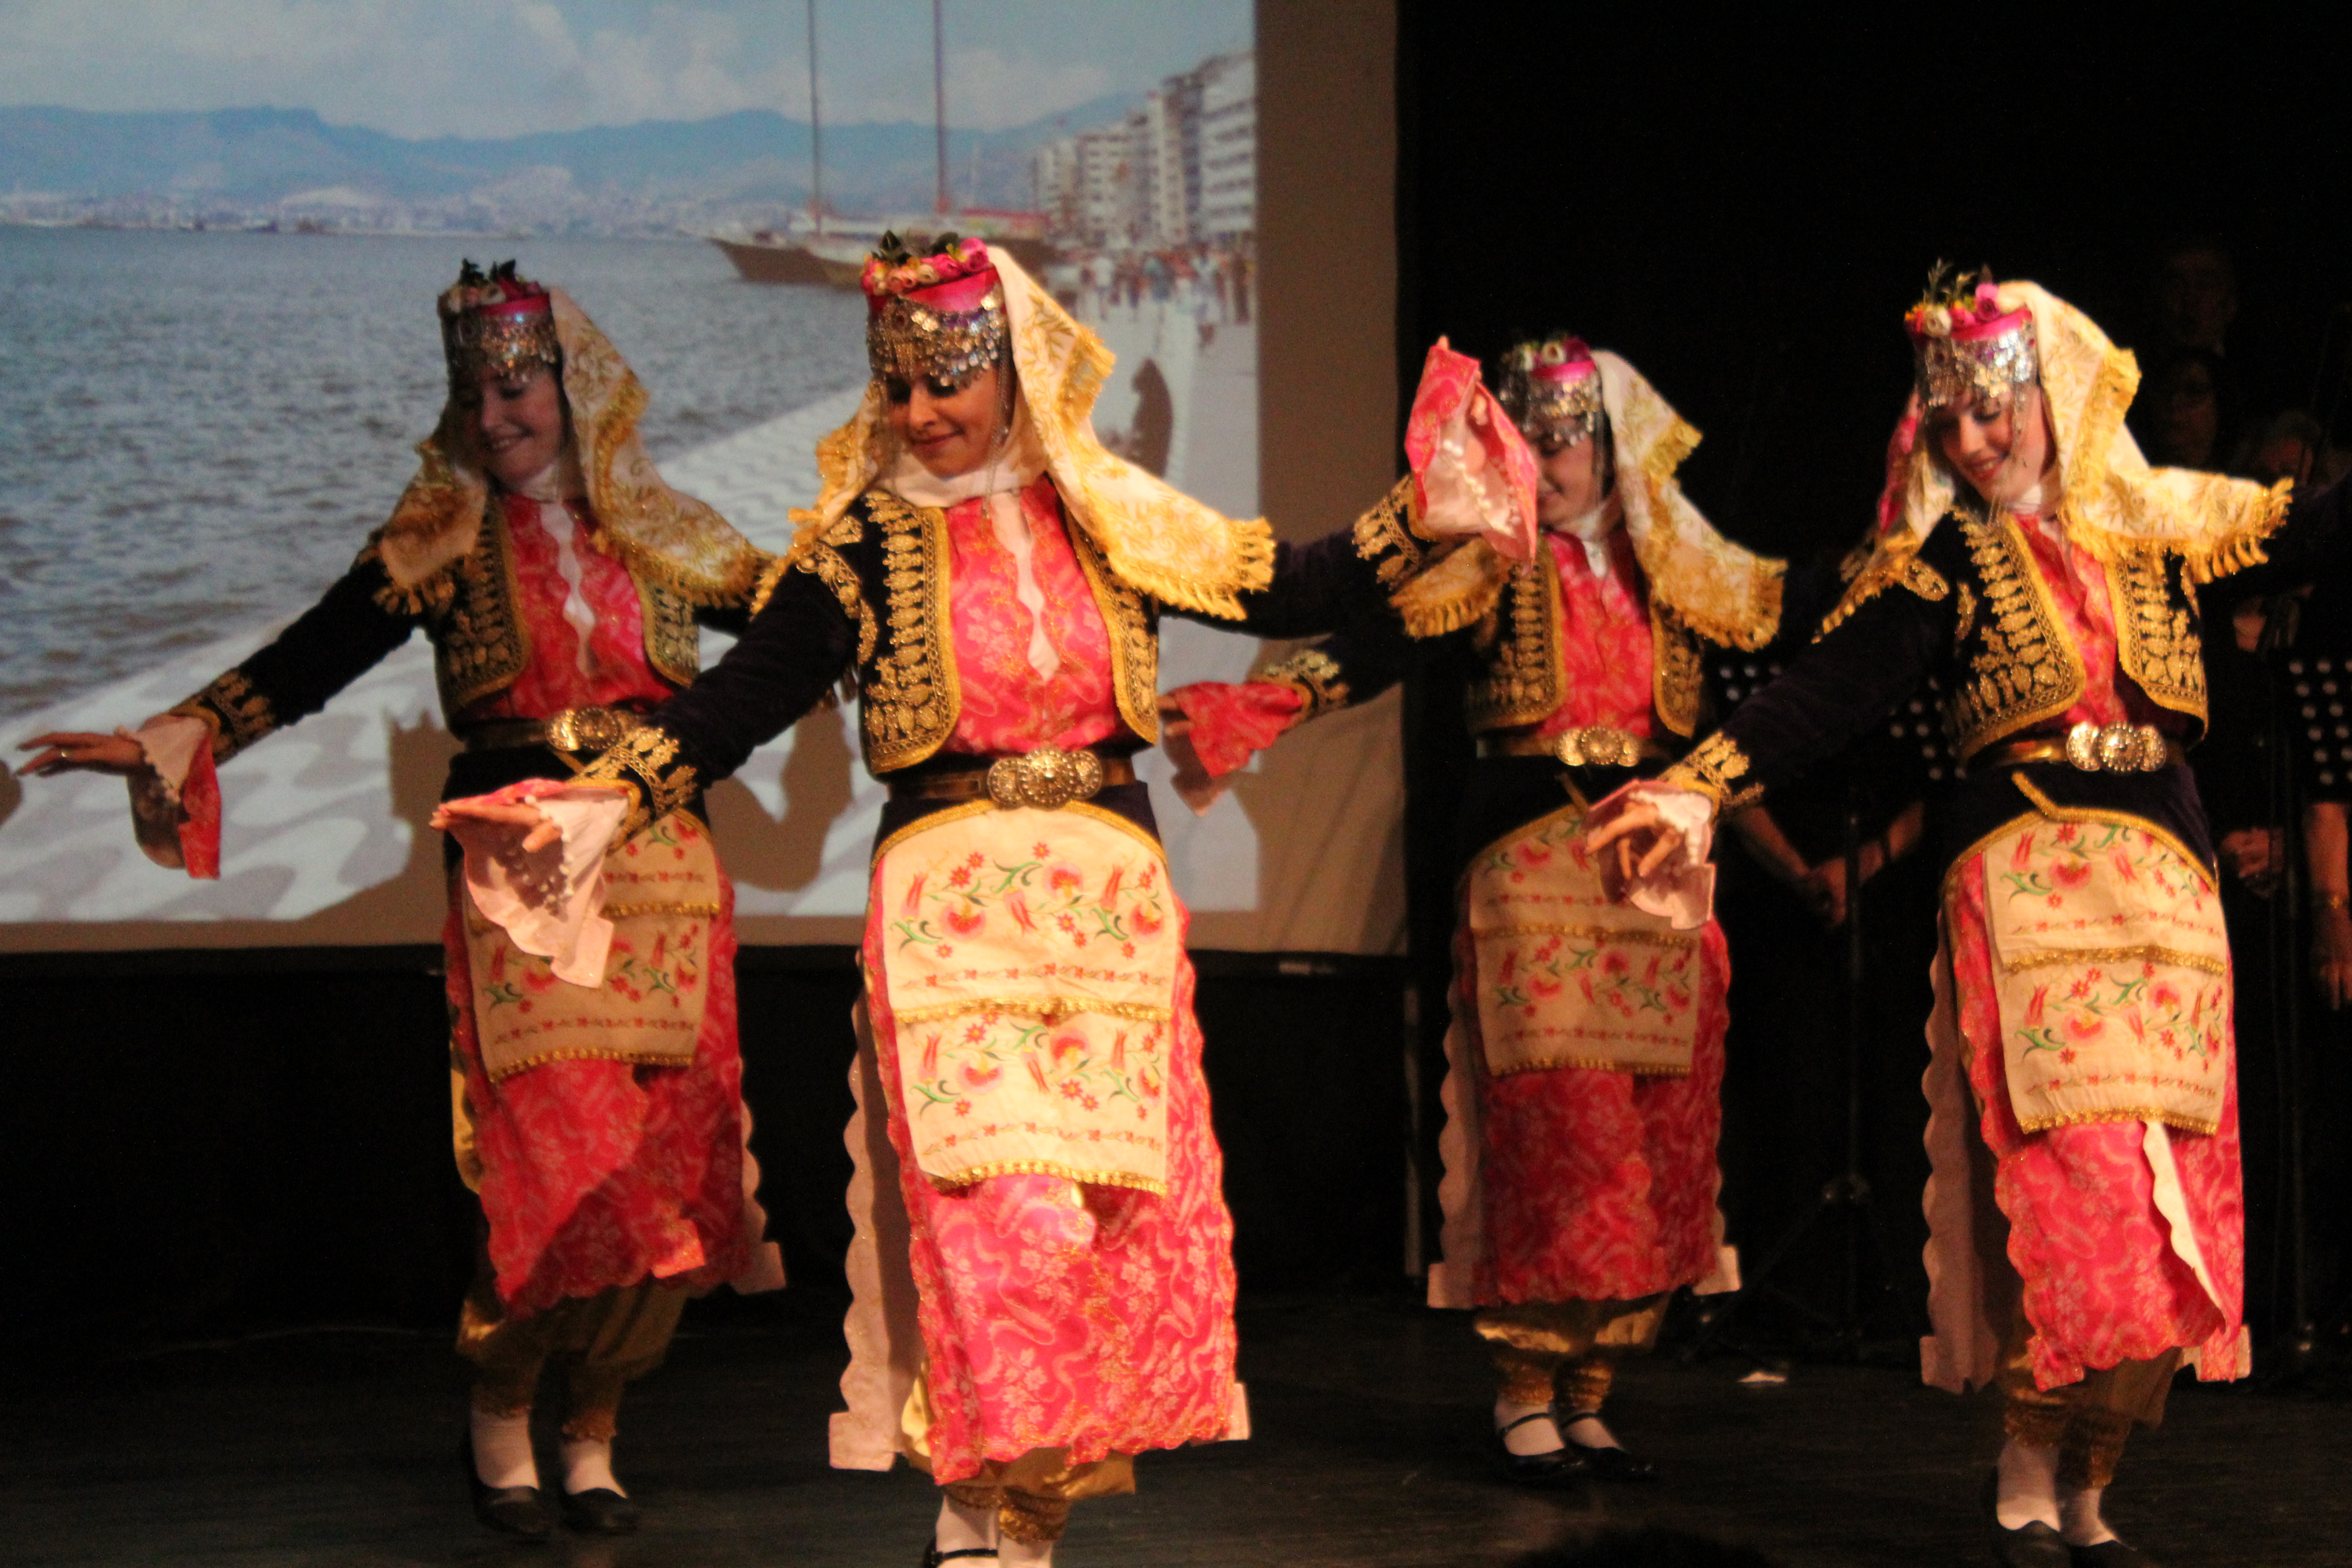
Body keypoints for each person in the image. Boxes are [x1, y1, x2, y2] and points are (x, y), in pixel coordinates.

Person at [433, 234, 1473, 1567]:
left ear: (1016, 371)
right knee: (999, 1226)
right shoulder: (857, 543)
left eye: (949, 382)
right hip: (952, 915)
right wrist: (607, 797)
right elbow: (736, 704)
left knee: (1094, 1230)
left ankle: (1004, 1519)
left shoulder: (1115, 512)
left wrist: (1429, 509)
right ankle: (975, 1512)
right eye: (900, 386)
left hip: (1104, 913)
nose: (922, 414)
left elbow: (1297, 582)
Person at [1589, 268, 2352, 1567]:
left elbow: (2324, 530)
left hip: (2165, 890)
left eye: (1993, 413)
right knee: (2080, 1188)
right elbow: (1828, 689)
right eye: (1950, 423)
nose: (1972, 442)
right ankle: (2026, 1453)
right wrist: (1697, 784)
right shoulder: (1956, 559)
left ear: (2053, 396)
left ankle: (2094, 1483)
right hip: (2029, 875)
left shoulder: (2163, 523)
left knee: (2179, 1201)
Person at [20, 261, 784, 1541]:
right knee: (553, 1154)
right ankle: (503, 1400)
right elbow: (316, 653)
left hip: (663, 874)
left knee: (664, 1160)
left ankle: (596, 1421)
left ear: (572, 383)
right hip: (514, 872)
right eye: (472, 391)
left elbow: (799, 638)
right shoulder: (437, 538)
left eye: (518, 383)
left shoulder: (675, 530)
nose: (494, 415)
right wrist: (180, 730)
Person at [1161, 333, 1784, 1483]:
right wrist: (1272, 701)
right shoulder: (1489, 565)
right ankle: (1523, 1386)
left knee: (1648, 1138)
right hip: (1534, 863)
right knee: (1556, 1130)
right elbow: (1380, 639)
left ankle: (1592, 1389)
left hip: (1655, 883)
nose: (1545, 466)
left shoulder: (1680, 570)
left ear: (1612, 447)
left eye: (1565, 442)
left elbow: (1752, 717)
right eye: (1527, 442)